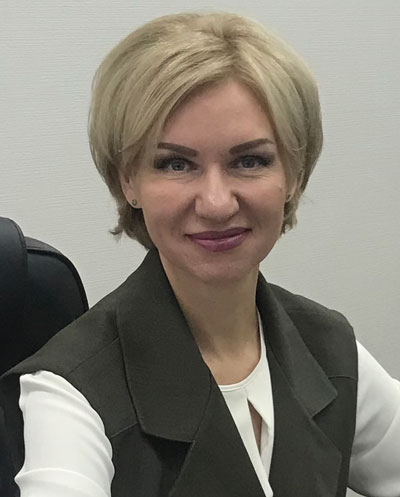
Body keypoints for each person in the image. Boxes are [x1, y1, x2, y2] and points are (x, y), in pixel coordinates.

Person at [1, 10, 399, 497]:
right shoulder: (68, 393)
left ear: (294, 174)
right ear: (128, 181)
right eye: (175, 164)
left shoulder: (328, 347)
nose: (216, 203)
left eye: (249, 160)